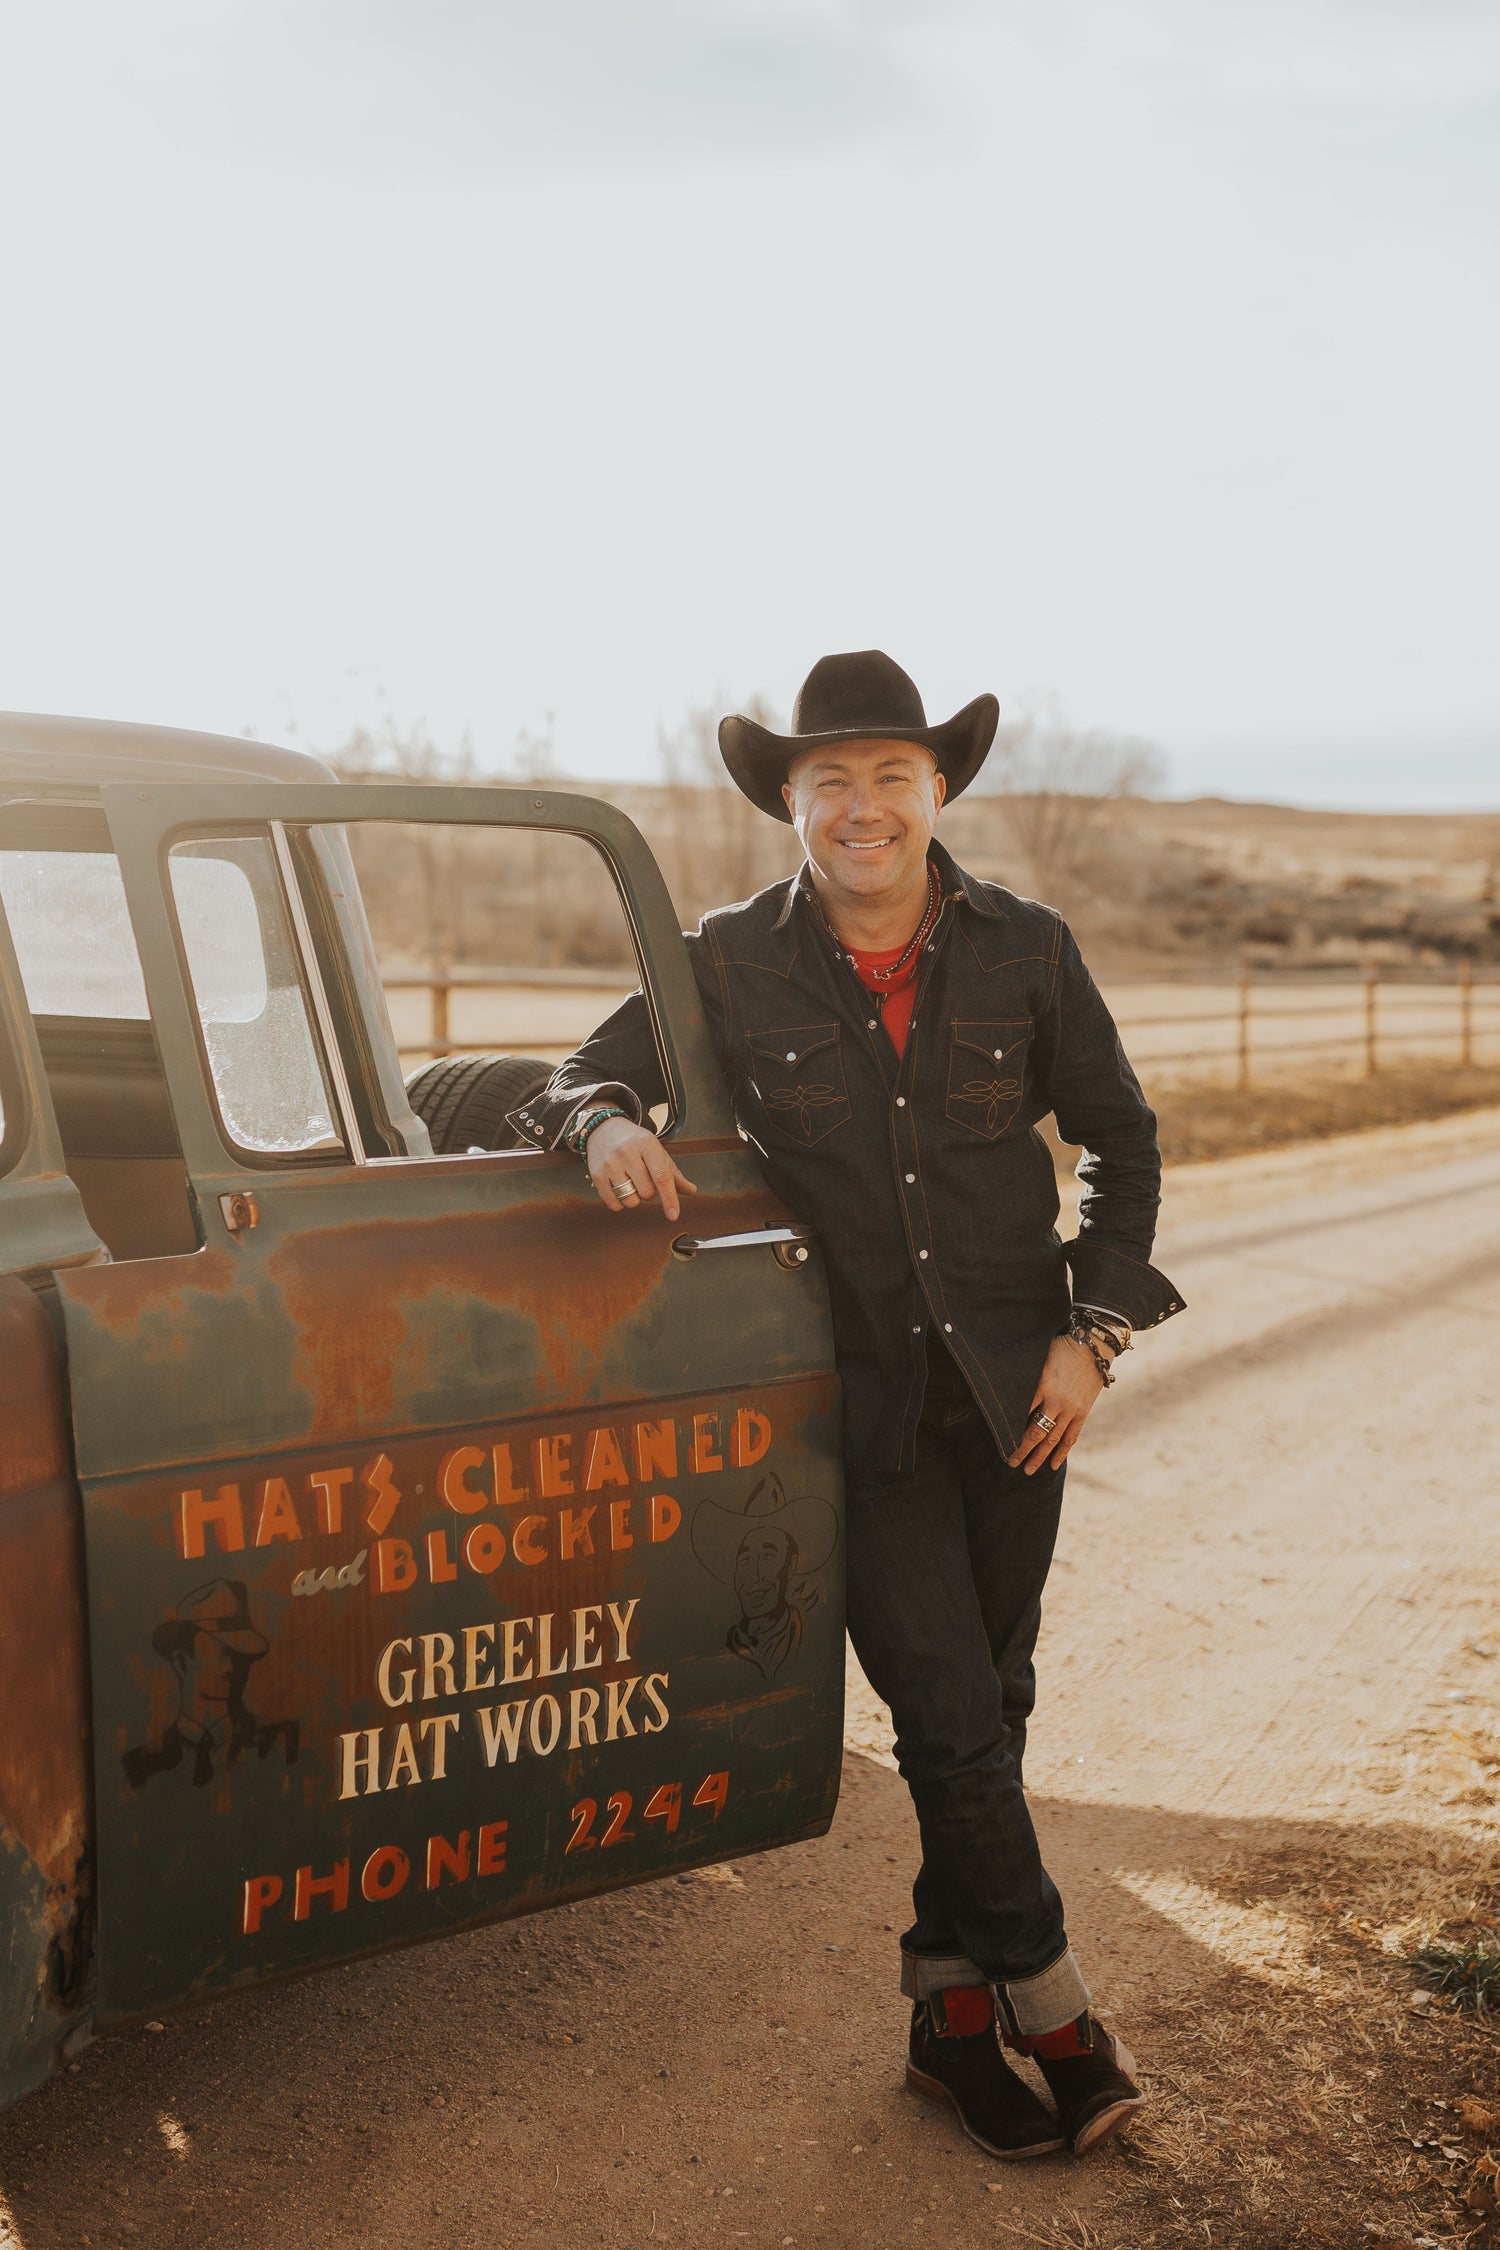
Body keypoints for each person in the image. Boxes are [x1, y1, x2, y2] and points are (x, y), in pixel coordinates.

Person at [510, 650, 1183, 2162]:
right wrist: (610, 1121)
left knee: (989, 1710)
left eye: (891, 775)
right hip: (857, 1408)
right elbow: (571, 1073)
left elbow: (1124, 1146)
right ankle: (1058, 2011)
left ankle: (947, 2022)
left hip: (1024, 1396)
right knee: (950, 1718)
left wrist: (1094, 1333)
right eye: (831, 782)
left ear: (938, 788)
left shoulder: (1029, 947)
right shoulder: (731, 960)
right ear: (790, 805)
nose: (863, 806)